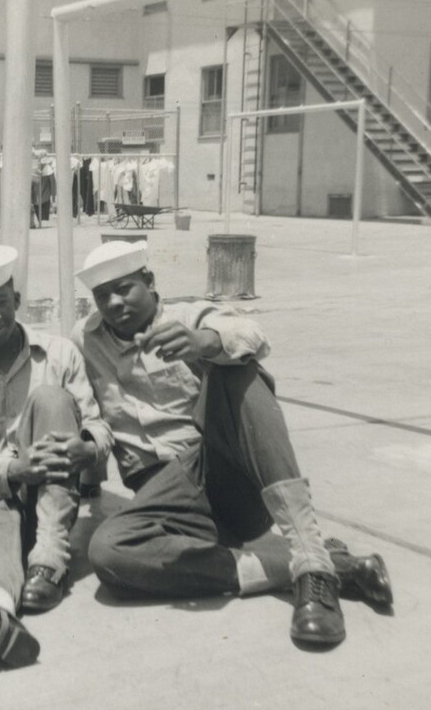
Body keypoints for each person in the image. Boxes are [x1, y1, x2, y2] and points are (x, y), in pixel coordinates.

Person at [72, 240, 393, 648]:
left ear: (149, 281)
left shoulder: (188, 316)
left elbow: (251, 334)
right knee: (109, 551)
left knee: (238, 371)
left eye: (124, 288)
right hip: (161, 495)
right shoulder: (86, 338)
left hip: (219, 472)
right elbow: (82, 406)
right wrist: (86, 472)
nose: (115, 303)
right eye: (103, 295)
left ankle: (313, 565)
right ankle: (323, 567)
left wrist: (204, 343)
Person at [0, 245, 111, 671]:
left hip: (54, 494)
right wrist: (13, 469)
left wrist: (89, 446)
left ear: (17, 300)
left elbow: (98, 425)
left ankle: (49, 563)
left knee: (50, 397)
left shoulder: (59, 353)